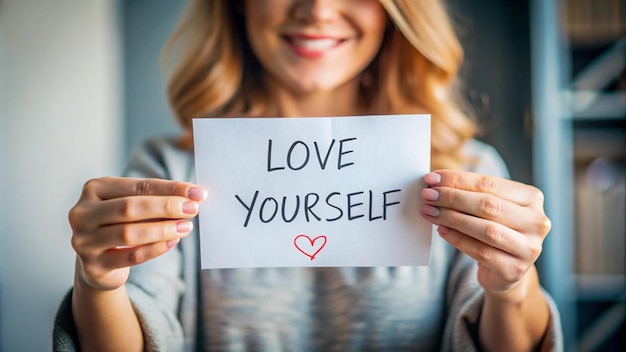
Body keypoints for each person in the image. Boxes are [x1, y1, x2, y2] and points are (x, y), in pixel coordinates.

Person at [53, 0, 563, 351]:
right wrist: (98, 282)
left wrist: (512, 287)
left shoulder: (467, 175)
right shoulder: (170, 172)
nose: (317, 9)